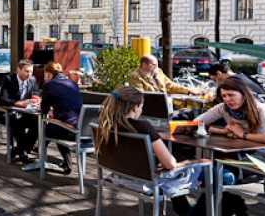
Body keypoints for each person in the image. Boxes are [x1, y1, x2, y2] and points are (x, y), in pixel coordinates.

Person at [98, 86, 247, 216]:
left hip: (123, 176)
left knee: (185, 165)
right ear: (135, 107)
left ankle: (185, 211)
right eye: (142, 106)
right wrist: (193, 161)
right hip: (150, 181)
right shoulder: (143, 126)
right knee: (213, 170)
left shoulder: (104, 125)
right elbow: (170, 164)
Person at [21, 62, 81, 174]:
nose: (44, 77)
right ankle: (67, 164)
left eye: (45, 75)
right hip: (81, 129)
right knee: (56, 126)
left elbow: (43, 110)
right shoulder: (73, 84)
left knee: (41, 128)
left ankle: (31, 155)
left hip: (67, 129)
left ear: (48, 74)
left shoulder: (50, 85)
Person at [195, 77, 265, 152]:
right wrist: (221, 131)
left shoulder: (262, 109)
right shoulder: (223, 108)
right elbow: (197, 122)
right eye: (224, 96)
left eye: (231, 95)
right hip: (240, 150)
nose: (227, 99)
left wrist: (242, 134)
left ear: (243, 95)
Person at [0, 60, 38, 163]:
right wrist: (18, 103)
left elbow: (36, 93)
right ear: (18, 70)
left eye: (31, 72)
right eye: (26, 71)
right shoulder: (9, 79)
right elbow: (3, 99)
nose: (29, 74)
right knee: (15, 120)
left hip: (24, 112)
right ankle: (23, 153)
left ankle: (19, 150)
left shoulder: (32, 80)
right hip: (5, 112)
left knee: (38, 122)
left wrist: (36, 100)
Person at [128, 55, 201, 95]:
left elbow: (171, 85)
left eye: (157, 64)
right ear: (144, 65)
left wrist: (189, 91)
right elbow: (140, 95)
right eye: (154, 65)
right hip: (149, 107)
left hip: (165, 103)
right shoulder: (135, 76)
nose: (157, 67)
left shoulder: (158, 71)